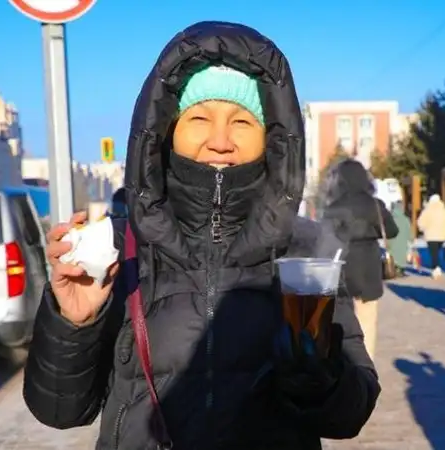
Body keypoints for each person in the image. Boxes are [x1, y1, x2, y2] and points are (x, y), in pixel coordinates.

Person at [22, 21, 379, 450]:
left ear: (272, 138)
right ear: (168, 129)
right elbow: (60, 412)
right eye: (199, 117)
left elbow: (353, 412)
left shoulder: (304, 250)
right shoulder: (122, 250)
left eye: (242, 121)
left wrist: (322, 380)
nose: (220, 140)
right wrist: (74, 323)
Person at [321, 159, 397, 362]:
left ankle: (346, 363)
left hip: (342, 269)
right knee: (367, 320)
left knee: (342, 320)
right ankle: (366, 366)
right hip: (369, 270)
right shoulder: (375, 205)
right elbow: (392, 231)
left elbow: (323, 241)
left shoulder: (333, 207)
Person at [417, 194, 445, 278]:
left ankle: (436, 268)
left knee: (433, 253)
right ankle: (437, 267)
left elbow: (421, 222)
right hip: (442, 235)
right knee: (438, 251)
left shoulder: (427, 210)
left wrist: (422, 228)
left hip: (431, 235)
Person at [387, 201, 412, 277]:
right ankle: (400, 270)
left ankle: (393, 269)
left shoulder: (390, 218)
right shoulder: (405, 219)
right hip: (402, 241)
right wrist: (411, 238)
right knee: (401, 255)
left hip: (392, 241)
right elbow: (409, 231)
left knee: (393, 254)